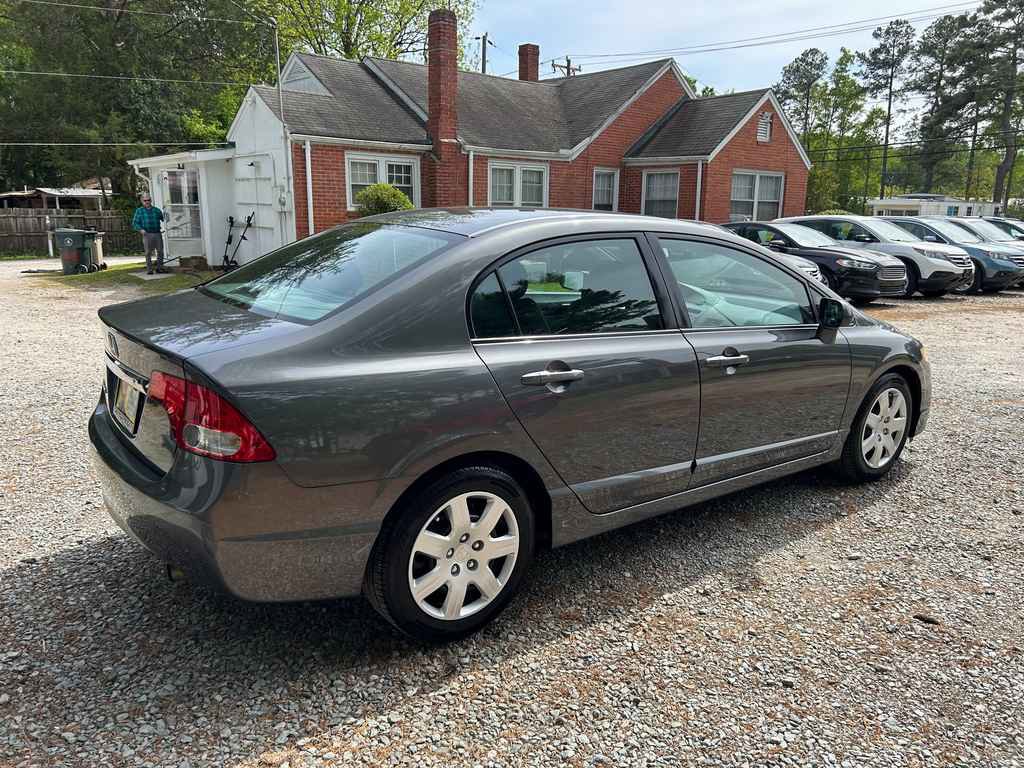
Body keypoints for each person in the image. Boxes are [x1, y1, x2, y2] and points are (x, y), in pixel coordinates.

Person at [132, 193, 166, 274]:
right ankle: (150, 270)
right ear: (142, 201)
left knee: (160, 251)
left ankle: (159, 268)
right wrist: (141, 230)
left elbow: (164, 219)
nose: (147, 202)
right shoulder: (139, 211)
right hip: (146, 234)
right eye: (145, 200)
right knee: (148, 252)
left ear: (151, 200)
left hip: (157, 233)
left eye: (148, 200)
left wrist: (166, 212)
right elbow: (135, 223)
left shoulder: (157, 210)